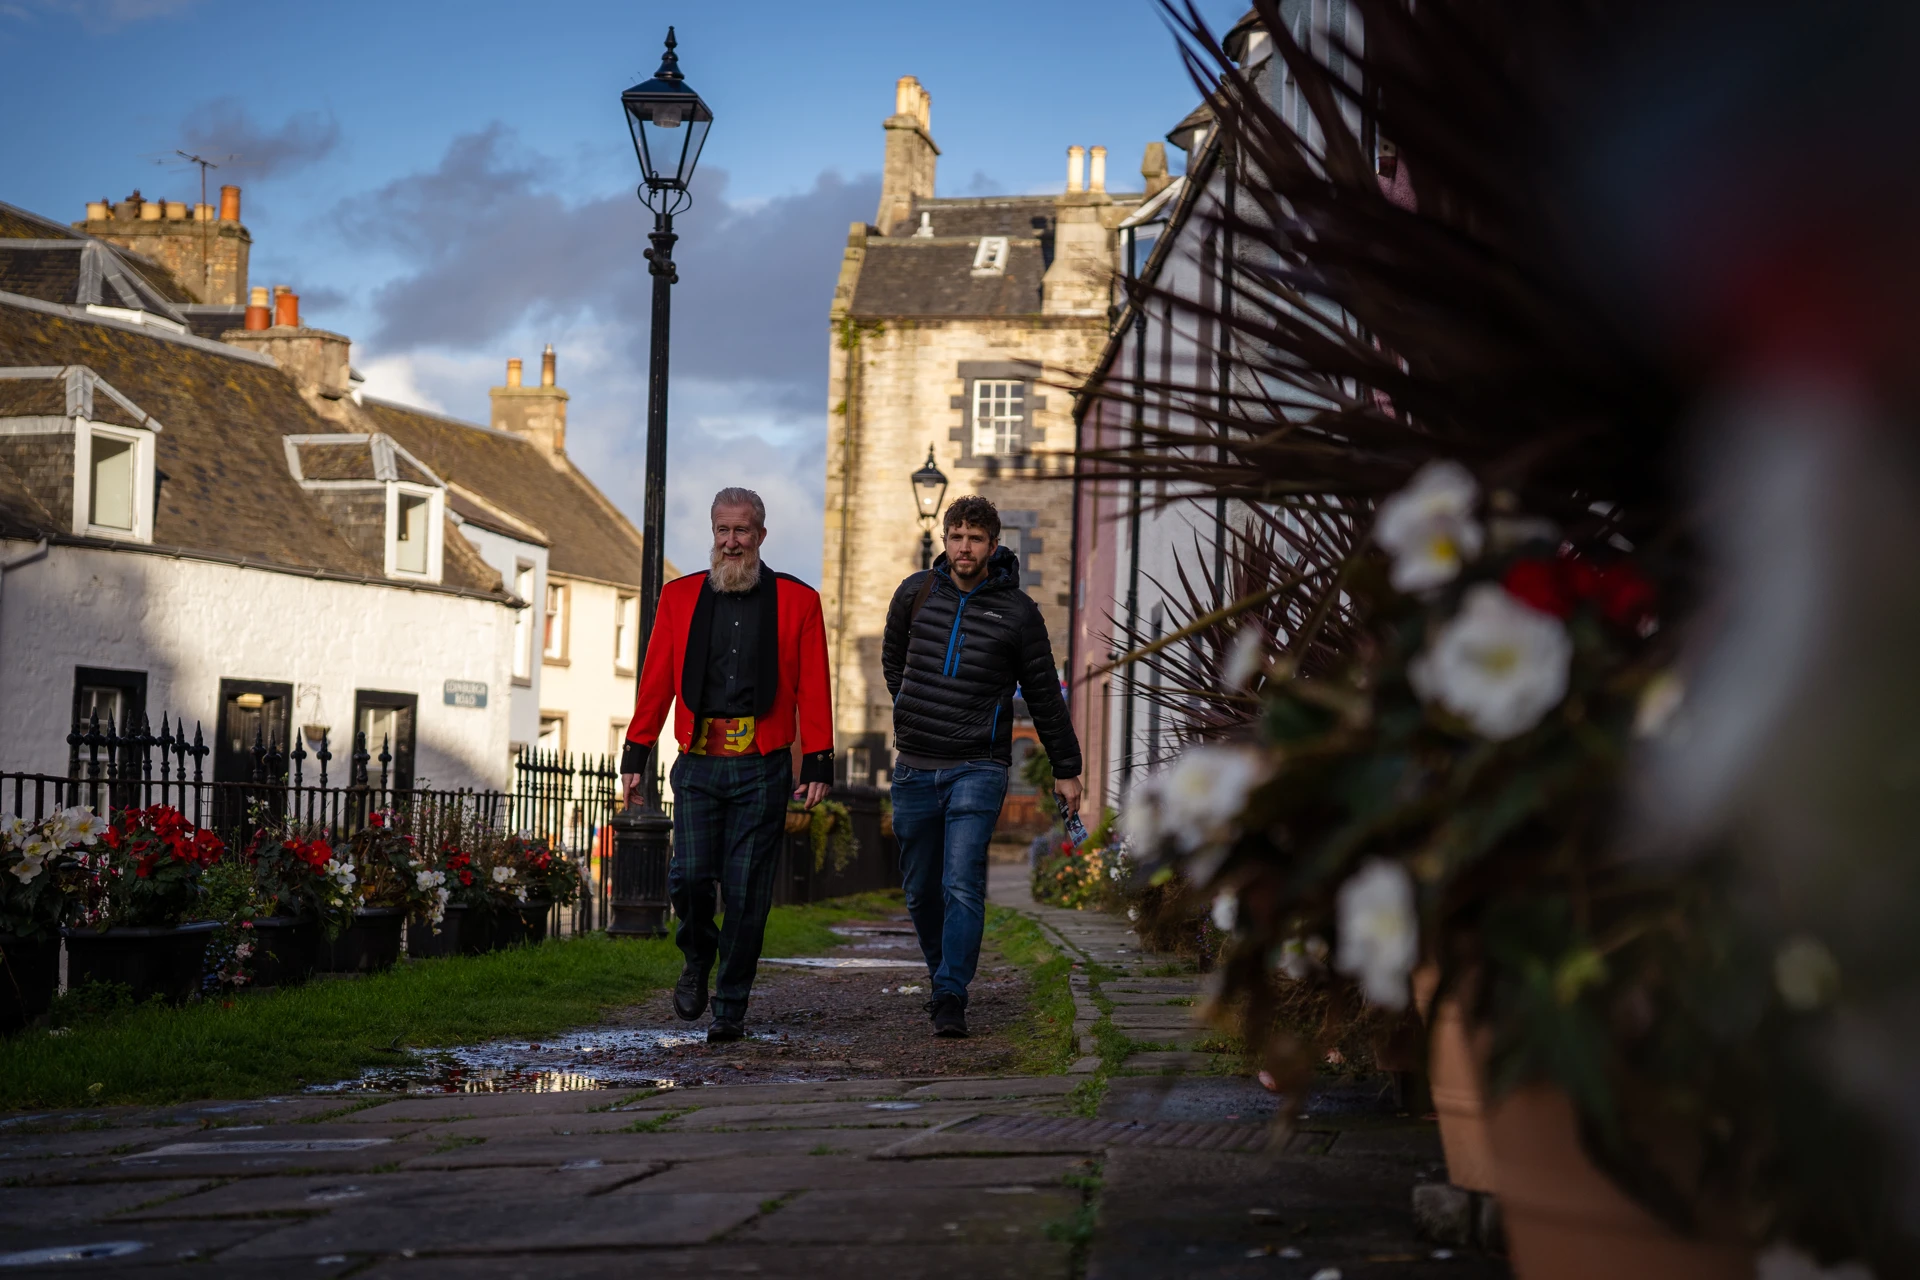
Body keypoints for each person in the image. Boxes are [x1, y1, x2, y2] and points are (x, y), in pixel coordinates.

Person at [621, 487, 834, 1043]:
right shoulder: (679, 598)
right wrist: (636, 751)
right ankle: (697, 957)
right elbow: (657, 680)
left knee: (746, 892)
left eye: (742, 531)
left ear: (761, 535)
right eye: (722, 531)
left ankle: (731, 1006)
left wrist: (817, 760)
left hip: (762, 768)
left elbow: (814, 686)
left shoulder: (799, 602)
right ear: (712, 534)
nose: (731, 542)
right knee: (689, 878)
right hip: (697, 763)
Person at [882, 494, 1083, 1038]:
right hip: (915, 766)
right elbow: (894, 661)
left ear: (993, 547)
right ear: (944, 541)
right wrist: (913, 707)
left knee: (962, 883)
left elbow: (1044, 695)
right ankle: (940, 972)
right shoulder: (914, 594)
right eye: (955, 536)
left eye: (974, 538)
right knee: (921, 889)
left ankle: (951, 993)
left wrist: (1066, 768)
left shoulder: (1018, 612)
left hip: (979, 766)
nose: (963, 546)